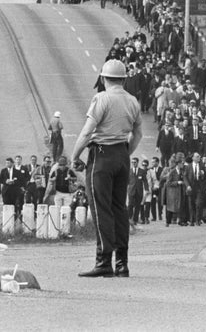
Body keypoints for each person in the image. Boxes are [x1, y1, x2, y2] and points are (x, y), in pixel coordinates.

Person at [71, 59, 142, 278]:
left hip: (101, 156)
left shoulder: (101, 98)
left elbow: (86, 131)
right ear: (123, 79)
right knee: (119, 209)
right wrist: (125, 153)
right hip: (122, 155)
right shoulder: (132, 101)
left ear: (103, 78)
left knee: (101, 209)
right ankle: (122, 263)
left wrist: (75, 155)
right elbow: (137, 133)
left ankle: (103, 261)